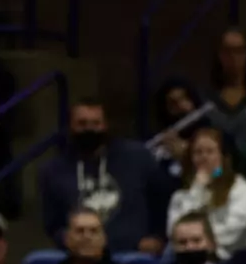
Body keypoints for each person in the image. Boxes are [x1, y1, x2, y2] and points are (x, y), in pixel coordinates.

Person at [39, 99, 169, 253]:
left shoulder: (137, 157)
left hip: (134, 253)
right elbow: (53, 223)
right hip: (80, 255)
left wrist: (158, 238)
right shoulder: (53, 170)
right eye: (82, 123)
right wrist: (67, 238)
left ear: (106, 125)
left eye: (96, 123)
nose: (89, 129)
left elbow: (162, 202)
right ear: (70, 127)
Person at [167, 128, 246, 257]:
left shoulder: (240, 188)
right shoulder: (181, 195)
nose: (204, 157)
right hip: (187, 255)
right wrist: (197, 189)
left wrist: (202, 240)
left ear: (222, 156)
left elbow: (233, 232)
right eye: (198, 152)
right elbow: (175, 232)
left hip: (230, 257)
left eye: (210, 151)